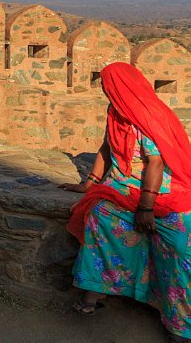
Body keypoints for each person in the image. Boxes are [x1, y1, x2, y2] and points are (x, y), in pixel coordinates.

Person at [61, 62, 191, 340]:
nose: (106, 91)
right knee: (98, 217)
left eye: (108, 86)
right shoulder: (116, 112)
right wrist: (90, 183)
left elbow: (155, 163)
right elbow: (107, 147)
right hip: (127, 187)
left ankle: (181, 323)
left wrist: (145, 208)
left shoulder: (148, 114)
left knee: (179, 250)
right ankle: (93, 294)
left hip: (162, 192)